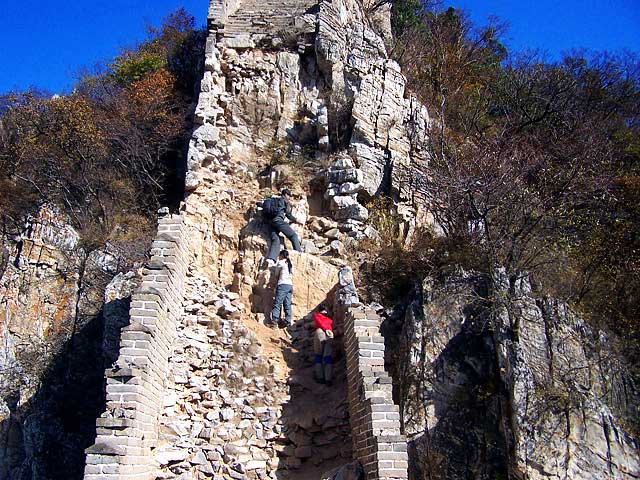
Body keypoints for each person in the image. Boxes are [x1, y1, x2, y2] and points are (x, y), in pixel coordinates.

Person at [263, 188, 302, 266]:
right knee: (293, 235)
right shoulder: (283, 200)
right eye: (289, 196)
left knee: (276, 239)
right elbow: (288, 214)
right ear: (286, 195)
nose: (290, 198)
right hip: (278, 221)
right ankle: (299, 254)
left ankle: (271, 259)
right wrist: (296, 220)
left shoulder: (273, 200)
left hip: (270, 222)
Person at [270, 250, 293, 329]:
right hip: (290, 285)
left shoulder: (281, 262)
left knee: (278, 303)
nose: (278, 257)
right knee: (287, 304)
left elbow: (276, 274)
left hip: (282, 284)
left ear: (281, 256)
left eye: (279, 255)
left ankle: (274, 321)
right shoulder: (289, 264)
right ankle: (288, 321)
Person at [312, 304, 334, 385]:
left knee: (318, 356)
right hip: (330, 335)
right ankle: (328, 379)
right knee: (327, 357)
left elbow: (320, 323)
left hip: (320, 333)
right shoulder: (330, 320)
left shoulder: (317, 315)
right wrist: (328, 330)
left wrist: (325, 329)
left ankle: (320, 377)